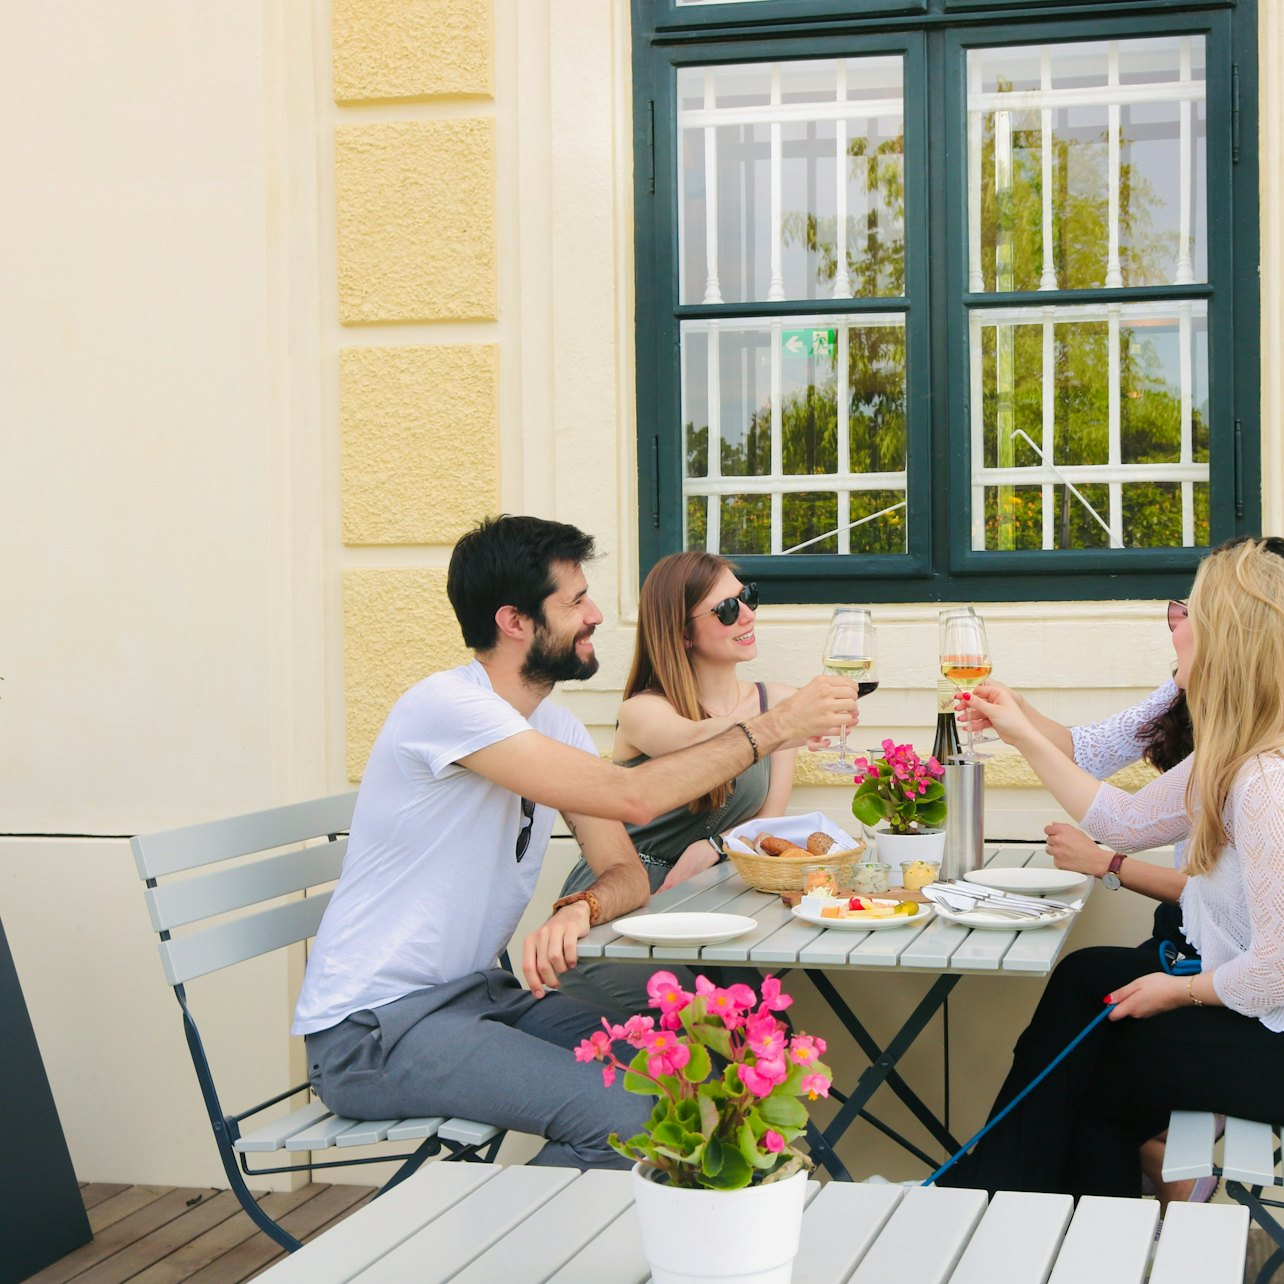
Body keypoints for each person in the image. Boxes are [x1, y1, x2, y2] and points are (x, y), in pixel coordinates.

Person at [292, 515, 857, 1170]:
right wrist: (777, 725)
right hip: (374, 1031)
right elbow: (635, 798)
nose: (594, 615)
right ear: (516, 622)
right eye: (575, 601)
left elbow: (625, 871)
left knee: (690, 1071)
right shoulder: (446, 707)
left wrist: (582, 908)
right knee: (625, 1113)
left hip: (479, 998)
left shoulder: (552, 724)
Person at [936, 537, 1284, 1198]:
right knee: (1085, 977)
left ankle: (1010, 1211)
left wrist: (1175, 991)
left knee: (1103, 1069)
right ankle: (1000, 1197)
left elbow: (1278, 969)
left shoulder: (1267, 779)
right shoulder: (1238, 754)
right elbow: (1121, 821)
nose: (1175, 629)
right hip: (1250, 999)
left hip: (1274, 1033)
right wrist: (1023, 733)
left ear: (1228, 640)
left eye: (1192, 617)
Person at [556, 551, 831, 1013]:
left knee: (758, 1032)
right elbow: (694, 741)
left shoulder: (778, 705)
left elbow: (768, 822)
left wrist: (718, 846)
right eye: (726, 610)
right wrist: (783, 719)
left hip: (712, 896)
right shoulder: (645, 710)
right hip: (623, 895)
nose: (746, 614)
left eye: (747, 598)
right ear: (682, 633)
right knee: (696, 1026)